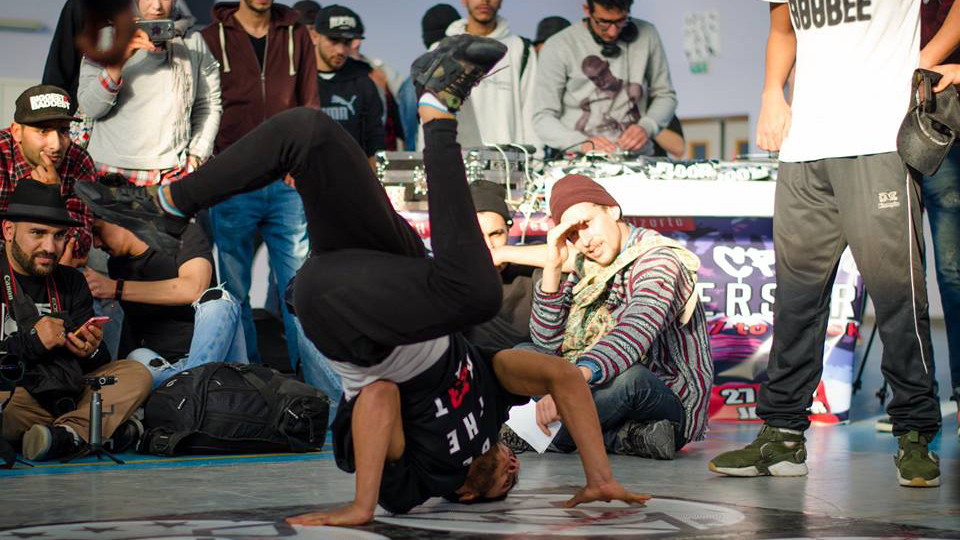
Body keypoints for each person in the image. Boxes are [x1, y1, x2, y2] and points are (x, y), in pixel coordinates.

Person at [75, 34, 650, 524]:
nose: (515, 469)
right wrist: (598, 476)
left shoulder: (425, 478)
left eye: (506, 484)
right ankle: (168, 203)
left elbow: (375, 396)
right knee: (307, 130)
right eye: (516, 474)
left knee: (472, 296)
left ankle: (437, 113)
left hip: (345, 317)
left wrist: (364, 505)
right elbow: (566, 378)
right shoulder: (495, 402)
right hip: (394, 270)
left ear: (470, 494)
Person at [708, 0, 960, 488]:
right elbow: (783, 29)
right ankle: (781, 435)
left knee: (898, 298)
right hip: (805, 149)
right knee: (797, 300)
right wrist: (771, 94)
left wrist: (930, 55)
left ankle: (914, 434)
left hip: (879, 142)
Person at [511, 175, 713, 459]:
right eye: (572, 235)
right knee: (523, 356)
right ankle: (624, 437)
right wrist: (553, 267)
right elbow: (546, 345)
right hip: (594, 384)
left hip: (663, 397)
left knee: (631, 379)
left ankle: (539, 436)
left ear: (612, 210)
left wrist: (566, 385)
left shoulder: (660, 260)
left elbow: (633, 332)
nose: (584, 241)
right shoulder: (585, 265)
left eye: (586, 224)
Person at [199, 0, 318, 367]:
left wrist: (300, 162)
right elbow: (203, 105)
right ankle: (249, 384)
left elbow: (310, 105)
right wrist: (219, 165)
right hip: (233, 183)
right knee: (234, 292)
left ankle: (314, 386)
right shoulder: (209, 38)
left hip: (286, 184)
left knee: (302, 291)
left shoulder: (297, 34)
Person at [0, 179, 151, 461]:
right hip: (15, 397)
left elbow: (98, 364)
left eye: (58, 236)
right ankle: (93, 432)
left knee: (136, 372)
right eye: (37, 233)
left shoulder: (71, 281)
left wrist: (90, 349)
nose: (50, 247)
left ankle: (64, 434)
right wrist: (33, 342)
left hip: (67, 390)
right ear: (8, 230)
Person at [83, 176, 246, 391]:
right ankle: (189, 388)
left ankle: (190, 386)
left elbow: (194, 288)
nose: (96, 243)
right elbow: (131, 332)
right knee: (135, 357)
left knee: (219, 301)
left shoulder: (181, 234)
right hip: (163, 368)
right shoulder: (117, 264)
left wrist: (116, 288)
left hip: (218, 356)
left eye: (97, 230)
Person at [78, 0, 221, 187]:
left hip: (171, 174)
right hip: (108, 172)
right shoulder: (106, 38)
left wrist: (196, 157)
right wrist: (117, 62)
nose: (157, 6)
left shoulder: (193, 42)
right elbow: (90, 109)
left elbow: (209, 104)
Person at [533, 0, 677, 155]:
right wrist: (580, 143)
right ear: (587, 9)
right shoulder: (558, 46)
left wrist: (647, 126)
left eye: (621, 21)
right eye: (604, 22)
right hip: (579, 162)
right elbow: (543, 117)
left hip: (638, 159)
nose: (612, 32)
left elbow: (665, 95)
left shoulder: (647, 34)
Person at [919, 0, 960, 439]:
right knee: (902, 273)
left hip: (950, 120)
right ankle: (915, 404)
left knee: (952, 271)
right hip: (902, 123)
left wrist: (922, 65)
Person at [0, 85, 95, 268]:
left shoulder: (79, 161)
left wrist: (54, 197)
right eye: (43, 131)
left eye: (63, 131)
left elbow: (80, 243)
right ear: (17, 132)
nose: (56, 145)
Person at [444, 0, 539, 148]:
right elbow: (430, 117)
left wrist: (535, 160)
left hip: (509, 164)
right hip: (456, 161)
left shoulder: (521, 49)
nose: (484, 1)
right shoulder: (441, 51)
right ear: (464, 1)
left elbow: (530, 110)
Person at [464, 180, 541, 350]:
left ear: (508, 230)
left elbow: (575, 259)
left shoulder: (526, 262)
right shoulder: (455, 276)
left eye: (496, 234)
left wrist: (503, 253)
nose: (489, 246)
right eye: (478, 236)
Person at [309, 5, 385, 165]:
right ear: (315, 36)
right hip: (303, 178)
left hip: (352, 178)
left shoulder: (363, 81)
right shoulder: (297, 77)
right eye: (334, 40)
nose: (341, 50)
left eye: (347, 42)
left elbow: (375, 138)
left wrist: (374, 181)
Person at [396, 3, 462, 151]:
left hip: (423, 163)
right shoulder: (468, 74)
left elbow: (409, 135)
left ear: (425, 37)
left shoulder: (409, 84)